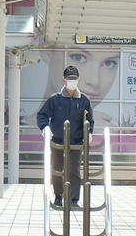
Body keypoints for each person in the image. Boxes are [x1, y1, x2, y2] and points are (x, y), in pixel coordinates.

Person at [37, 64, 94, 208]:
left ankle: (74, 199)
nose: (72, 81)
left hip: (76, 141)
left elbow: (89, 120)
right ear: (64, 80)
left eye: (74, 78)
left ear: (78, 80)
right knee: (57, 169)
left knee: (74, 169)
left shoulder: (84, 100)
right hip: (57, 140)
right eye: (69, 78)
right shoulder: (54, 99)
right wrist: (45, 128)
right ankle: (58, 196)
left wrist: (89, 133)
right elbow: (42, 115)